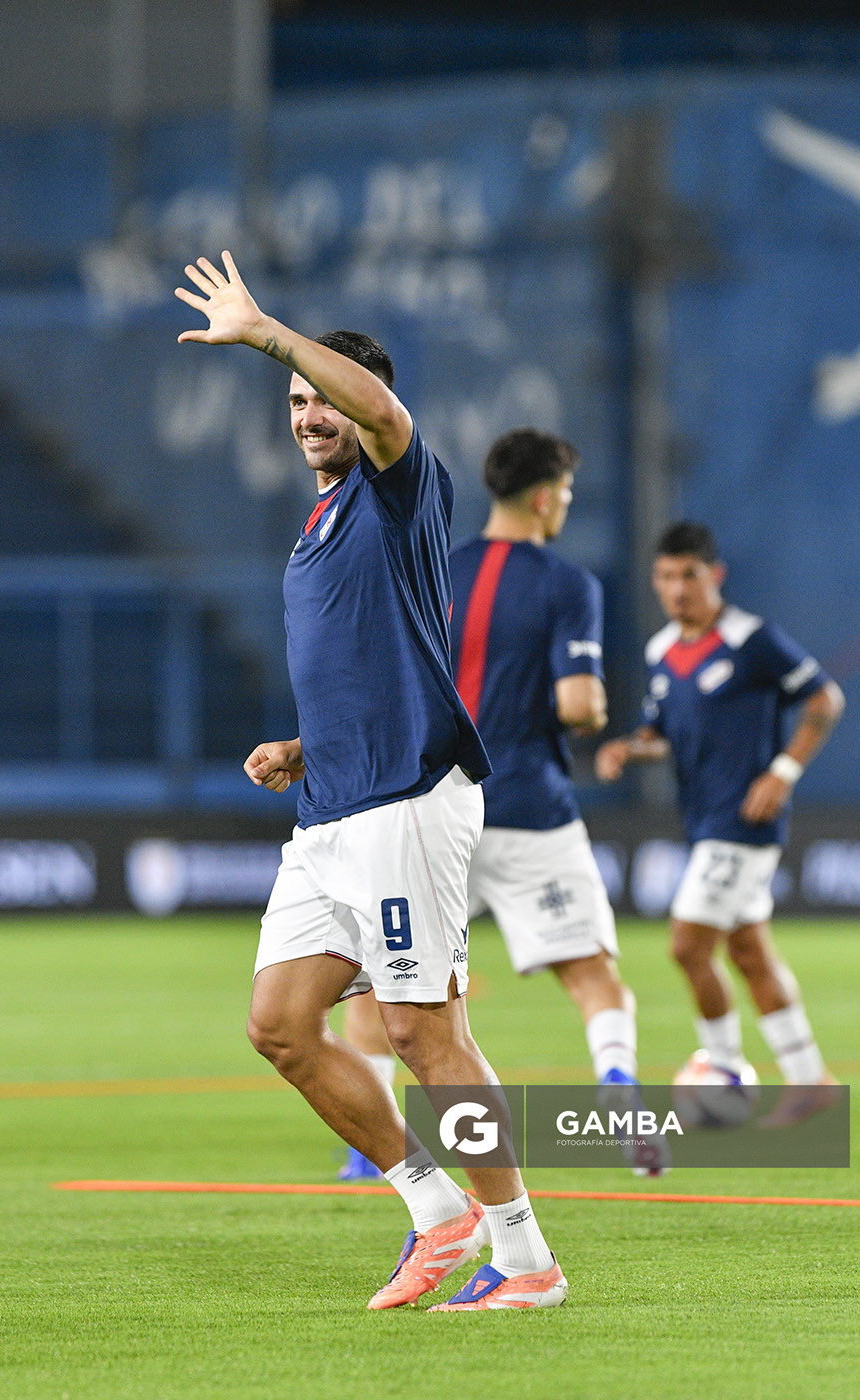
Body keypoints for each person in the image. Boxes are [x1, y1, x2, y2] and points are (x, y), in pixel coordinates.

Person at [175, 252, 568, 1312]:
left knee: (423, 1033)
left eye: (323, 399)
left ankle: (526, 1257)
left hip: (406, 802)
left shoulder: (395, 486)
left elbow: (384, 413)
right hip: (330, 808)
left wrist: (268, 335)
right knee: (279, 1023)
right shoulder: (318, 526)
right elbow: (375, 664)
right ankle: (437, 1213)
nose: (310, 416)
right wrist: (303, 747)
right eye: (295, 403)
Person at [339, 426, 668, 1179]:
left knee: (385, 978)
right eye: (568, 493)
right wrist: (588, 713)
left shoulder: (434, 566)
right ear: (546, 497)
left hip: (431, 805)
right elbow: (579, 704)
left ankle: (368, 1152)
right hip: (528, 806)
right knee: (591, 976)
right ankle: (621, 1105)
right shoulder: (566, 584)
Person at [595, 521, 844, 1125]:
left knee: (687, 945)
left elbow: (825, 699)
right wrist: (631, 749)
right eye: (665, 576)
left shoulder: (752, 640)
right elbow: (664, 733)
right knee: (750, 953)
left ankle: (726, 1071)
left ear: (715, 575)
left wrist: (782, 772)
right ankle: (810, 1081)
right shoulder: (661, 652)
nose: (677, 589)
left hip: (745, 821)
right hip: (703, 820)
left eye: (689, 575)